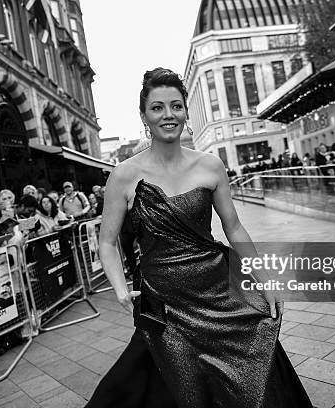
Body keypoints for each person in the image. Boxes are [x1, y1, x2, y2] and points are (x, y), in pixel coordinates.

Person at [86, 68, 311, 407]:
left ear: (186, 111)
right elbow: (107, 242)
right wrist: (120, 290)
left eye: (176, 106)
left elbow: (234, 227)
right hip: (162, 300)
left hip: (218, 288)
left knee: (251, 372)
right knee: (169, 384)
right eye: (157, 107)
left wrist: (264, 279)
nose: (168, 115)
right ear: (144, 115)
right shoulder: (123, 175)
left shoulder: (210, 165)